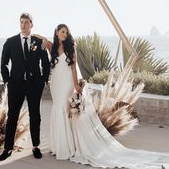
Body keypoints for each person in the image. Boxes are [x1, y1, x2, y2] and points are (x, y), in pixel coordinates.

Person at [35, 24, 169, 168]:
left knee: (65, 110)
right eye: (62, 32)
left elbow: (74, 67)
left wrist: (75, 85)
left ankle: (66, 148)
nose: (64, 34)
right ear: (56, 33)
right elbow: (36, 36)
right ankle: (58, 147)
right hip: (56, 83)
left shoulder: (71, 47)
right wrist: (39, 38)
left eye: (66, 32)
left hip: (67, 82)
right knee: (58, 108)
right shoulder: (52, 47)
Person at [0, 13, 50, 161]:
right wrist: (7, 81)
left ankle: (36, 146)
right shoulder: (10, 42)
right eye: (21, 22)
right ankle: (8, 148)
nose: (23, 25)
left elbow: (45, 62)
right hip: (16, 84)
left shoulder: (38, 42)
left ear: (31, 25)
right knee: (12, 116)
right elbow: (4, 64)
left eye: (26, 22)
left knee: (35, 116)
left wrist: (43, 80)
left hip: (35, 85)